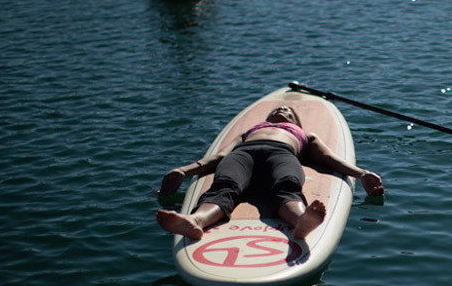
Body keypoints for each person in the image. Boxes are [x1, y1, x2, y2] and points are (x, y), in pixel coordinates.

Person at [156, 103, 384, 241]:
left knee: (287, 185)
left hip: (282, 154)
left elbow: (328, 158)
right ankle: (196, 221)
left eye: (287, 111)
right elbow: (219, 156)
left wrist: (361, 173)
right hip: (243, 155)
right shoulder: (250, 131)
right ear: (265, 120)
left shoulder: (305, 135)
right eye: (277, 109)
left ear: (296, 122)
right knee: (224, 185)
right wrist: (184, 171)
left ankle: (301, 221)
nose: (281, 109)